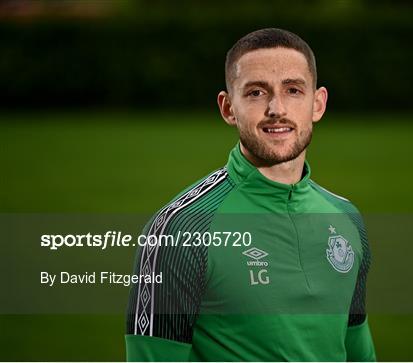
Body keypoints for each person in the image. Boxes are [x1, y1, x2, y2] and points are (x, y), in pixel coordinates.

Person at [125, 28, 376, 362]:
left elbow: (360, 354)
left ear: (318, 104)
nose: (277, 108)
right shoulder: (180, 230)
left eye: (293, 90)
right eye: (257, 92)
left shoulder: (346, 219)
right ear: (229, 108)